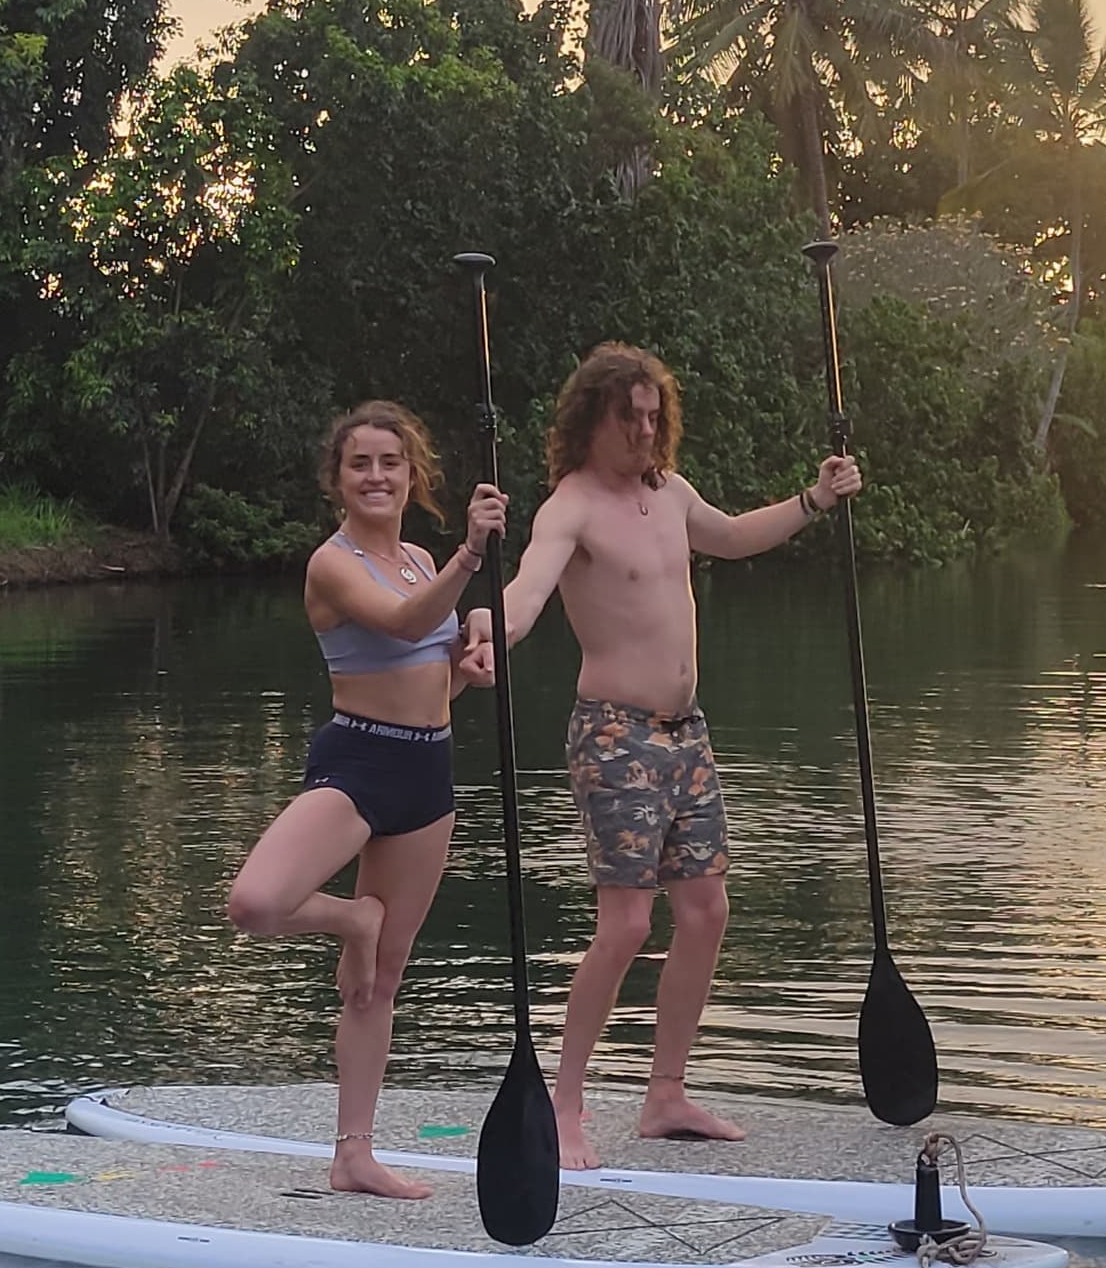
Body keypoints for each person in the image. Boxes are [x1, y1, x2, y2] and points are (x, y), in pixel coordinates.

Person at [464, 343, 860, 1169]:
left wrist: (814, 500)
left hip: (688, 734)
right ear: (592, 421)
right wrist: (488, 631)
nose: (645, 431)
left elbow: (736, 536)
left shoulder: (669, 493)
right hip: (615, 737)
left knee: (708, 912)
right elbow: (529, 590)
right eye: (629, 418)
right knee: (627, 926)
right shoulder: (570, 508)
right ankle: (563, 1109)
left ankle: (666, 1096)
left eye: (654, 416)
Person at [227, 401, 506, 1199]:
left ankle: (354, 1153)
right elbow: (395, 622)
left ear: (411, 474)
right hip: (358, 763)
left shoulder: (420, 557)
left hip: (429, 773)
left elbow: (434, 671)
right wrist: (471, 559)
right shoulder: (334, 563)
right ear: (338, 481)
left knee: (376, 984)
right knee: (255, 903)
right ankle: (352, 916)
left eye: (390, 462)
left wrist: (472, 654)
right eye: (361, 465)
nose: (377, 476)